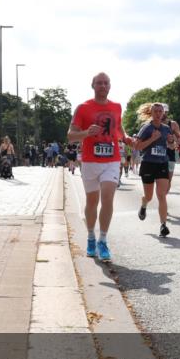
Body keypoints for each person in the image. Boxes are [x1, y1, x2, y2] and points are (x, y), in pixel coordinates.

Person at [68, 72, 134, 262]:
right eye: (99, 83)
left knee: (108, 198)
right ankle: (90, 237)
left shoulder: (116, 107)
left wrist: (126, 138)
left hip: (111, 160)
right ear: (93, 85)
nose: (103, 86)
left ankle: (103, 240)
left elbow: (118, 129)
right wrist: (86, 133)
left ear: (110, 86)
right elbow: (71, 135)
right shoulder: (83, 108)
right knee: (92, 201)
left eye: (106, 83)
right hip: (90, 160)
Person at [134, 102, 172, 237]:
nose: (158, 114)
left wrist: (172, 141)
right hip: (148, 163)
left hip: (162, 163)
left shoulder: (167, 128)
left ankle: (163, 225)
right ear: (151, 113)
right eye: (155, 111)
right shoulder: (146, 128)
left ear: (163, 113)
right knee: (149, 196)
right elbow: (137, 147)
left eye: (160, 111)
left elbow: (172, 147)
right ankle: (144, 204)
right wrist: (152, 138)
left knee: (162, 195)